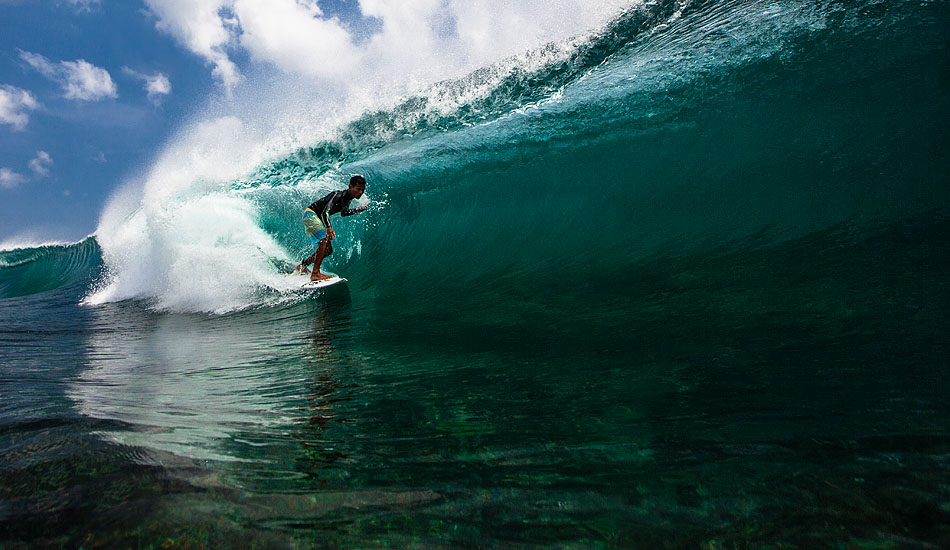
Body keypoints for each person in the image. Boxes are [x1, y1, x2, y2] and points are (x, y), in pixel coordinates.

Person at [296, 175, 368, 281]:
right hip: (311, 214)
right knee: (324, 241)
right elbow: (326, 211)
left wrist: (358, 209)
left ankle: (302, 266)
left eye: (362, 190)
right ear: (350, 187)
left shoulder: (348, 199)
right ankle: (315, 273)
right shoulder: (338, 195)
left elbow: (344, 213)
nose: (361, 192)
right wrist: (328, 227)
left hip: (317, 217)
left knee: (328, 250)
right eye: (358, 189)